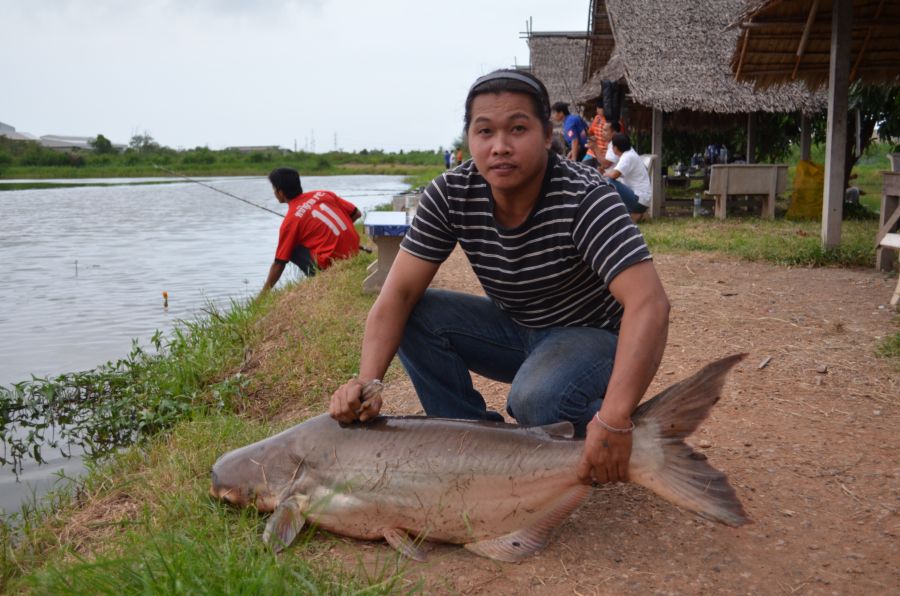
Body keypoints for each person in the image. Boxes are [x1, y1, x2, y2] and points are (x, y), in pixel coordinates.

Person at [329, 69, 670, 487]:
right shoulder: (450, 194)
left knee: (537, 398)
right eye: (485, 131)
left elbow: (648, 303)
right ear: (469, 138)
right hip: (515, 329)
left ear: (547, 134)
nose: (500, 147)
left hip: (592, 336)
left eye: (518, 129)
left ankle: (616, 426)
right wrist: (366, 383)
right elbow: (396, 295)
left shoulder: (585, 196)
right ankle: (473, 444)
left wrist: (615, 417)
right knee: (416, 313)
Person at [259, 167, 361, 296]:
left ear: (280, 192)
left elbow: (279, 263)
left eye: (274, 188)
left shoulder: (290, 221)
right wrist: (334, 233)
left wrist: (262, 295)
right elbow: (356, 214)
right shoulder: (324, 194)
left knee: (290, 250)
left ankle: (320, 278)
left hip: (333, 264)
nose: (274, 192)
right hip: (354, 252)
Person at [605, 133, 652, 223]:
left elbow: (614, 175)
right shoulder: (630, 153)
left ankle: (635, 213)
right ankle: (637, 214)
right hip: (641, 199)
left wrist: (604, 174)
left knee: (609, 182)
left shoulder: (627, 157)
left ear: (615, 148)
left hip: (639, 200)